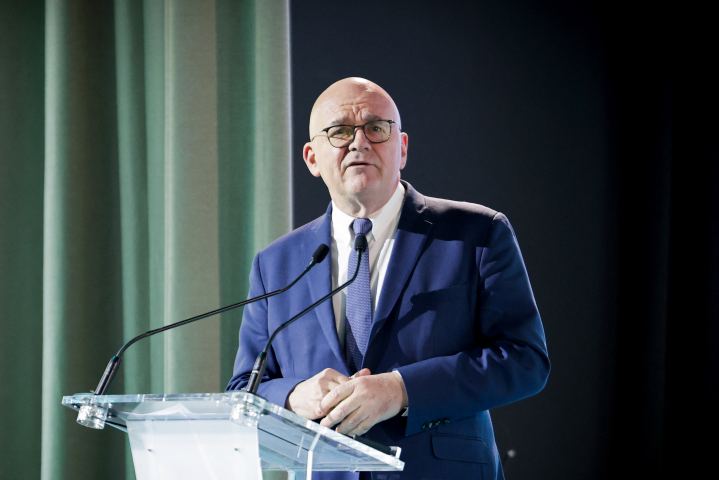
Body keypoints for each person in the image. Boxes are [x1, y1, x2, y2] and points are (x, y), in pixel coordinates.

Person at [227, 78, 550, 480]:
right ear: (311, 158)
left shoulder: (477, 233)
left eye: (376, 128)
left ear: (403, 148)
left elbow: (525, 360)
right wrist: (294, 396)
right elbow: (244, 389)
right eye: (340, 131)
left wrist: (401, 390)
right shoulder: (277, 262)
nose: (359, 142)